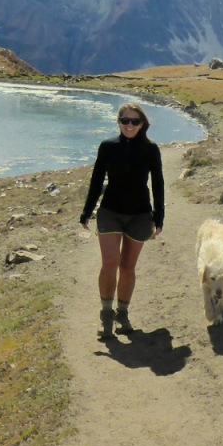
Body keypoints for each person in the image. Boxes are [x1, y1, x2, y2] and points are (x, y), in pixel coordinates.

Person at [79, 102, 165, 339]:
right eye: (125, 120)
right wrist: (87, 212)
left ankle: (122, 314)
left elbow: (158, 184)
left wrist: (159, 216)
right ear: (118, 122)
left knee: (127, 268)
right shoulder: (107, 147)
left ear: (142, 124)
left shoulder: (151, 149)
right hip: (110, 212)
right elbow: (96, 181)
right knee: (109, 263)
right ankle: (106, 314)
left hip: (140, 214)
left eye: (134, 121)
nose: (129, 125)